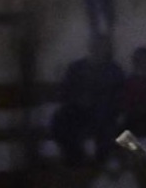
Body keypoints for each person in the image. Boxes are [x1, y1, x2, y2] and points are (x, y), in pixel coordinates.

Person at [51, 36, 126, 165]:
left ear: (108, 50)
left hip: (103, 113)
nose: (100, 50)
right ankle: (75, 160)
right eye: (97, 46)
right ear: (91, 47)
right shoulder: (76, 67)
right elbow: (65, 91)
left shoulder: (114, 70)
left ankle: (101, 165)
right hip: (78, 111)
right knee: (59, 120)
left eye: (103, 47)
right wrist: (77, 100)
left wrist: (103, 104)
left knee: (108, 128)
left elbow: (119, 96)